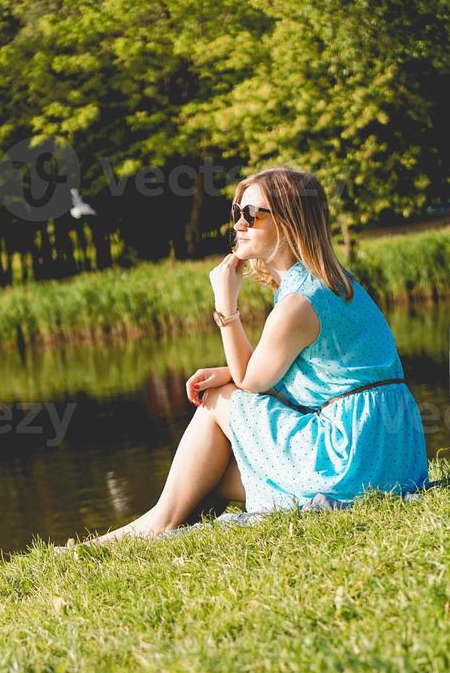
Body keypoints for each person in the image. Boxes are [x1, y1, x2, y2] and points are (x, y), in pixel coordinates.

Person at [87, 166, 429, 545]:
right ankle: (150, 525)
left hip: (350, 457)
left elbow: (252, 382)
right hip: (391, 455)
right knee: (213, 472)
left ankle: (156, 524)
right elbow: (303, 373)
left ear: (289, 222)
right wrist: (229, 372)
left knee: (218, 401)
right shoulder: (333, 282)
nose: (239, 224)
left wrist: (226, 306)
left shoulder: (298, 303)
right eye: (236, 212)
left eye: (251, 214)